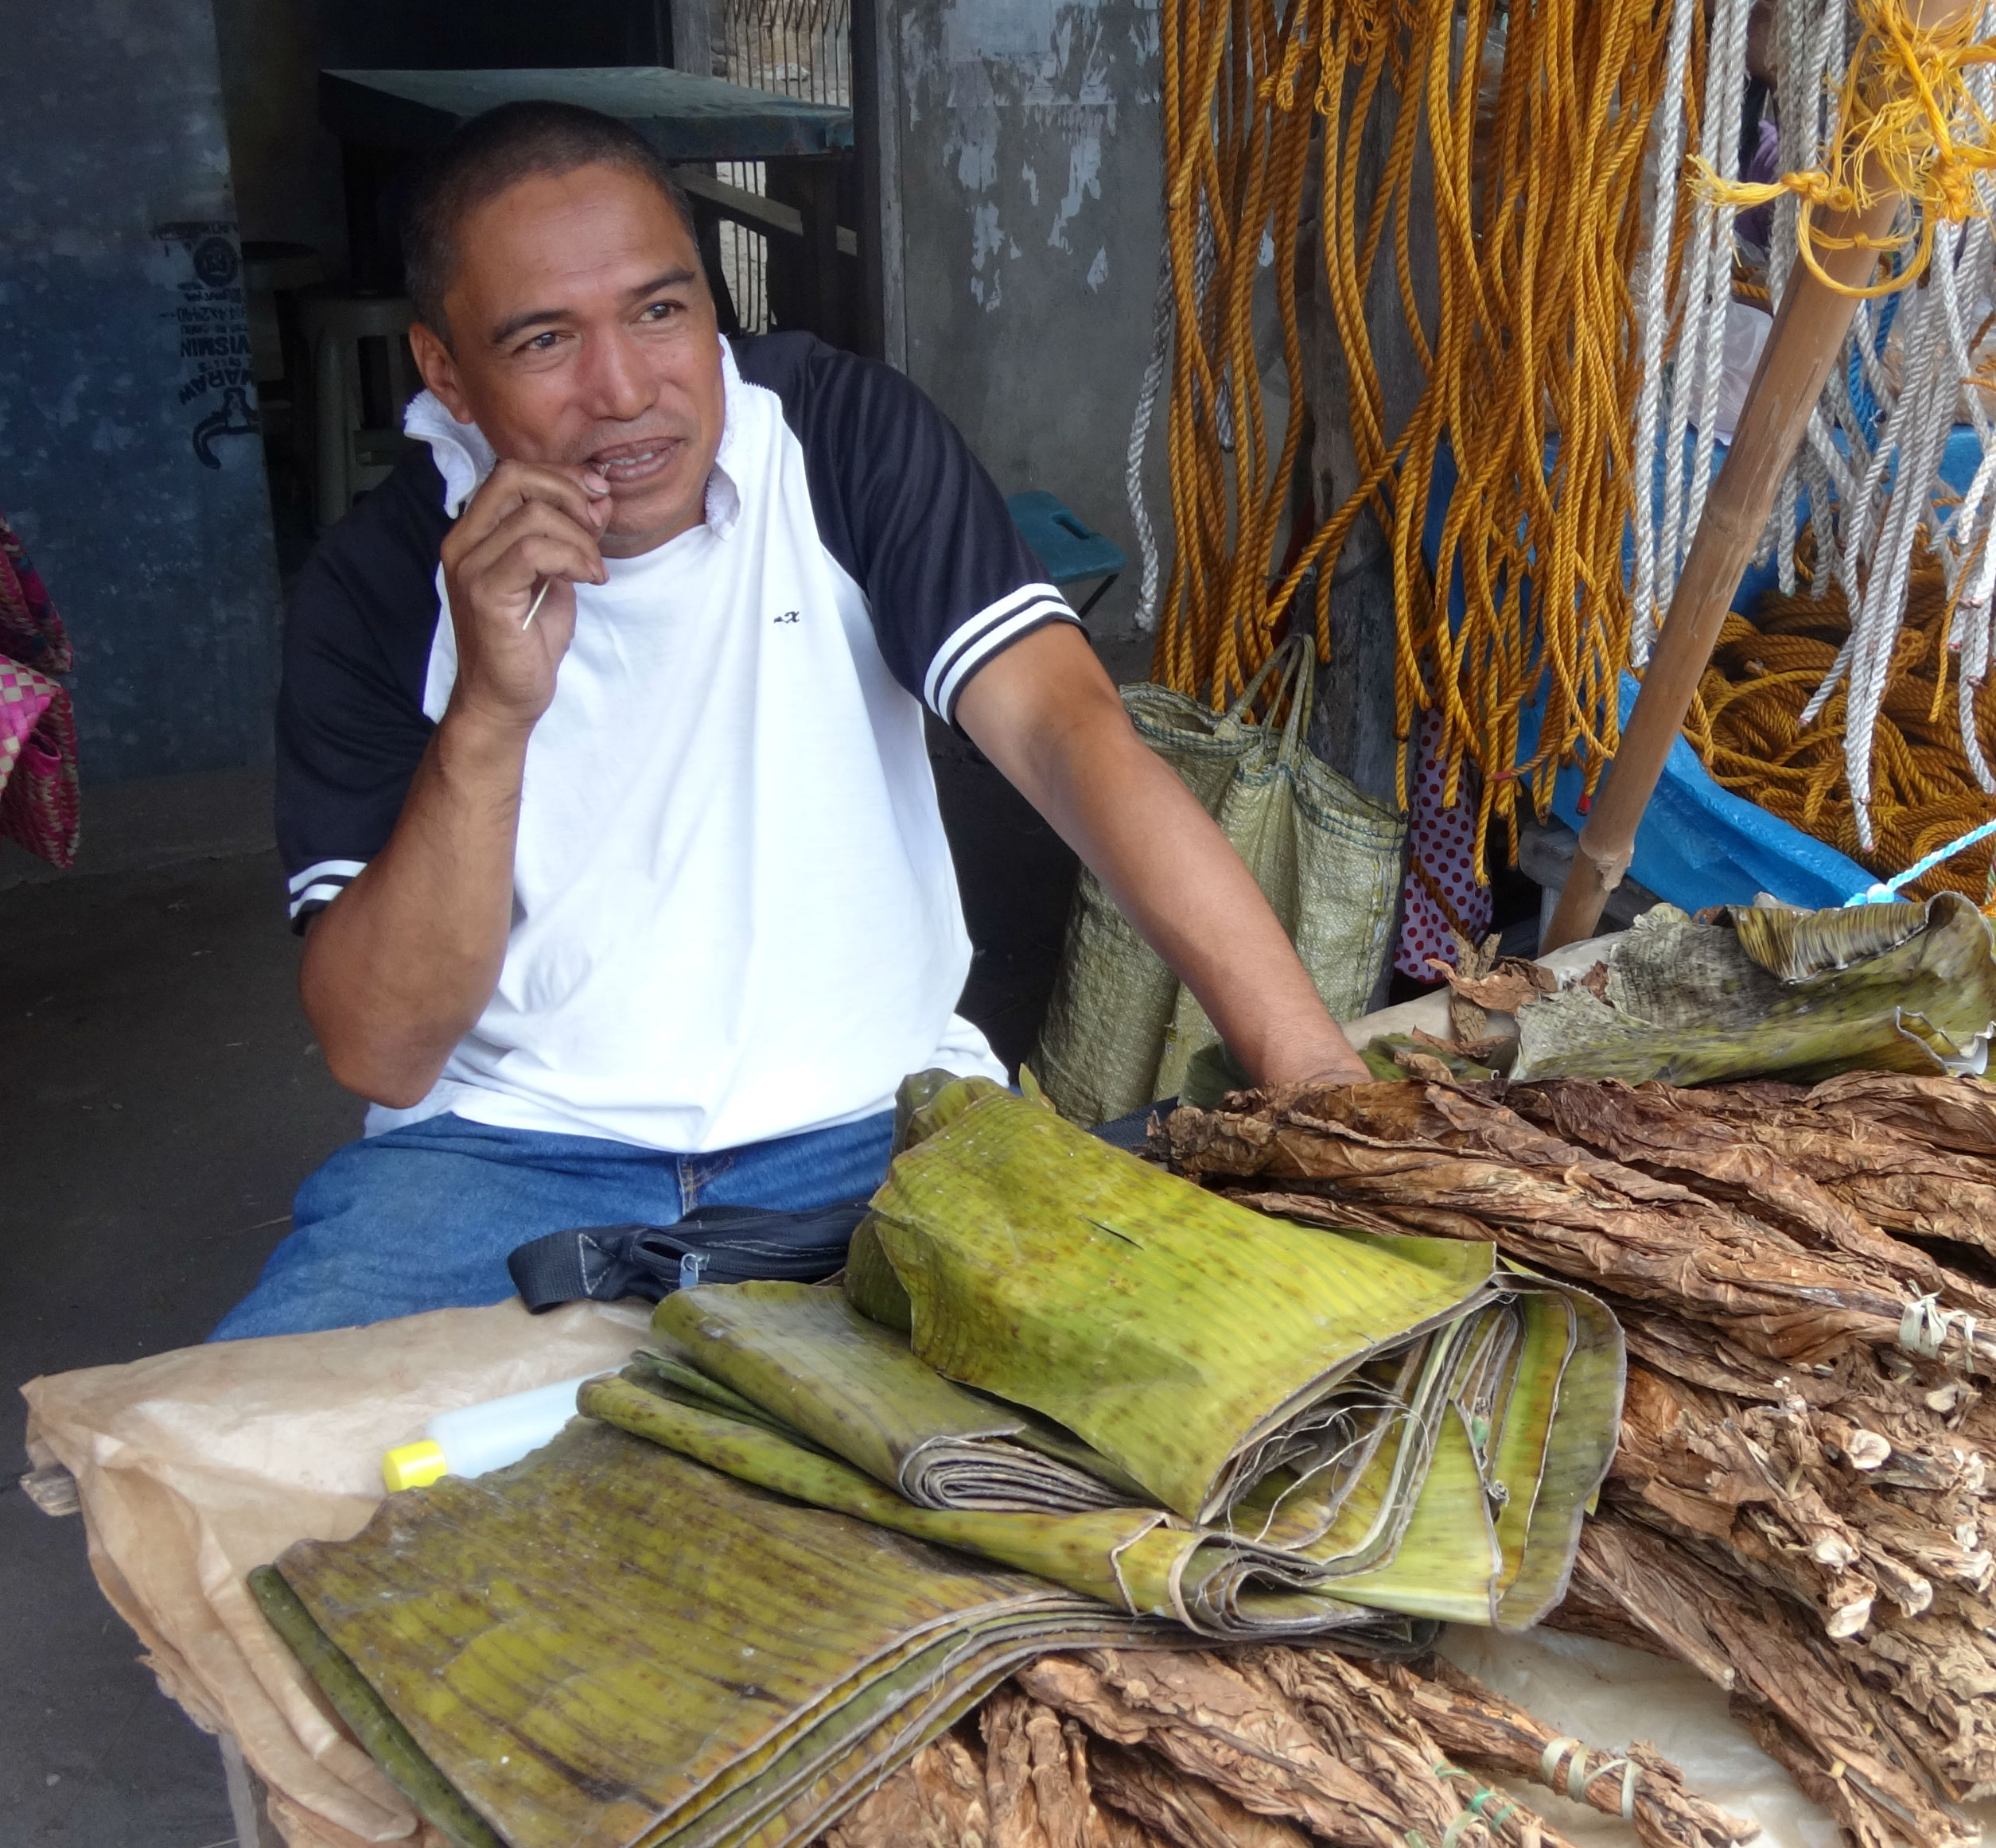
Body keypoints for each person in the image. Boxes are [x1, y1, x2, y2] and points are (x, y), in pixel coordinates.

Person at [216, 103, 1365, 1340]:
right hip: (499, 1160)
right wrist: (493, 713)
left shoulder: (836, 438)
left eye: (662, 311)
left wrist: (1316, 1077)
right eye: (545, 340)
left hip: (879, 1125)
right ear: (445, 368)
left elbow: (1067, 734)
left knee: (1201, 1398)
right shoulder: (380, 581)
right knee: (235, 1484)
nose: (625, 391)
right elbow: (383, 1051)